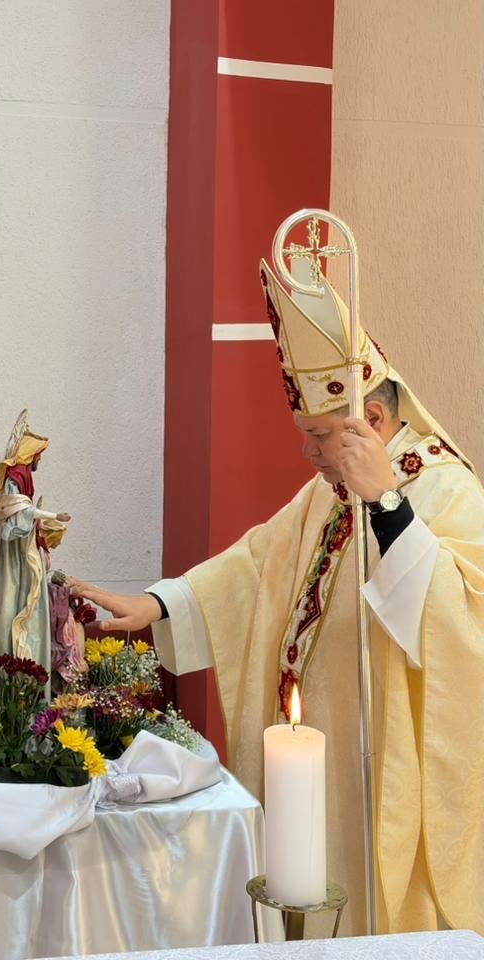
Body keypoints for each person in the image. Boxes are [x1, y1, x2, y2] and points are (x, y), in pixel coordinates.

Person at [70, 257, 484, 937]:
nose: (309, 454)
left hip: (376, 771)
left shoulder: (447, 492)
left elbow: (464, 628)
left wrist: (386, 505)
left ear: (371, 418)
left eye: (319, 435)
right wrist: (159, 605)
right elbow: (258, 563)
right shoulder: (330, 491)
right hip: (315, 765)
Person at [0, 410, 70, 676]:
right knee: (14, 599)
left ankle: (26, 668)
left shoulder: (20, 477)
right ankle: (13, 665)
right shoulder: (15, 478)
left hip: (21, 550)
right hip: (16, 554)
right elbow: (21, 512)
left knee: (20, 598)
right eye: (38, 454)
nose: (39, 459)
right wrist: (54, 516)